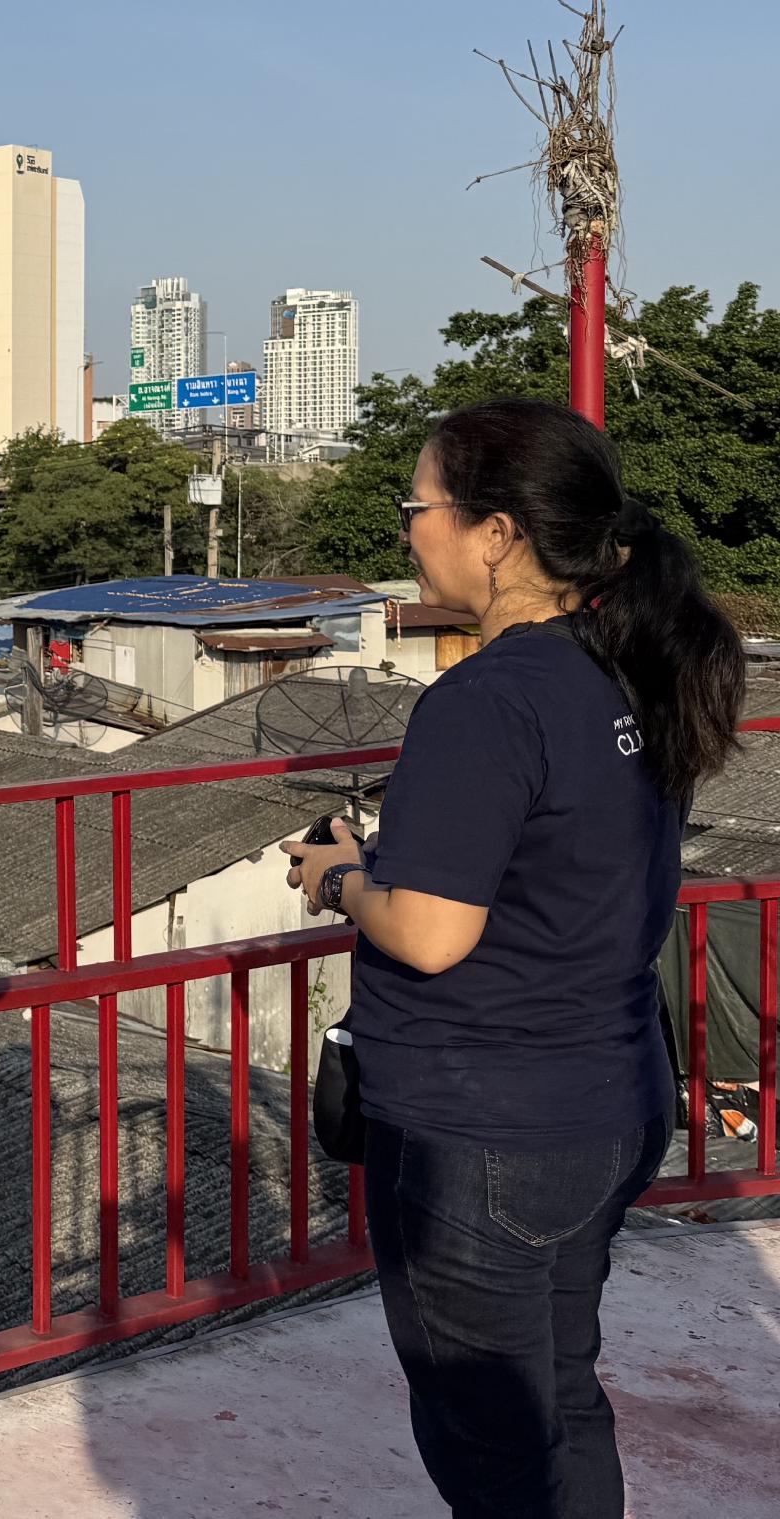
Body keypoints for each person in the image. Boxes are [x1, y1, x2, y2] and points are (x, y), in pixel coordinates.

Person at [284, 397, 744, 1518]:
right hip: (608, 1097)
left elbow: (434, 934)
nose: (408, 529)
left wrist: (340, 879)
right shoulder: (632, 663)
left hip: (485, 1125)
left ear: (496, 533)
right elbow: (552, 849)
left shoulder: (485, 698)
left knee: (490, 1447)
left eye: (418, 505)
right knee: (560, 1394)